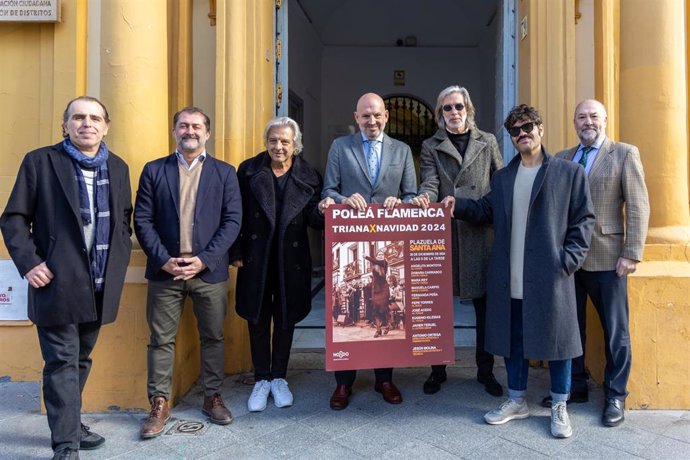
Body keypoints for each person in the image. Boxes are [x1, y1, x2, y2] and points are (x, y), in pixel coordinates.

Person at [446, 104, 595, 438]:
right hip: (510, 276)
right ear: (511, 137)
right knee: (513, 341)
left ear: (540, 128)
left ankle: (559, 405)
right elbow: (485, 210)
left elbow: (584, 220)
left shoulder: (568, 173)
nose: (522, 133)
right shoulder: (503, 178)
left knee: (558, 343)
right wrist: (457, 205)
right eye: (515, 130)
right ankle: (516, 400)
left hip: (551, 275)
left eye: (527, 126)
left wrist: (567, 260)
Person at [0, 96, 133, 460]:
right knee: (61, 361)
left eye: (94, 118)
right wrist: (30, 263)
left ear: (105, 126)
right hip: (56, 281)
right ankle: (66, 444)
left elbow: (124, 216)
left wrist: (119, 253)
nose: (86, 123)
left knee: (82, 359)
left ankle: (70, 424)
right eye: (78, 117)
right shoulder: (40, 161)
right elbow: (13, 218)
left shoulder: (118, 167)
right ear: (65, 125)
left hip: (100, 283)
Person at [540, 99, 650, 427]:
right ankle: (575, 386)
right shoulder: (561, 158)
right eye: (581, 117)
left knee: (615, 331)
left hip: (609, 258)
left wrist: (631, 252)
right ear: (574, 123)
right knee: (570, 328)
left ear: (604, 120)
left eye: (593, 116)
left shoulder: (624, 154)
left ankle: (616, 395)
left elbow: (638, 205)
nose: (587, 121)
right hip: (569, 261)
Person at [134, 107, 242, 437]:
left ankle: (212, 396)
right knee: (161, 340)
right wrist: (163, 258)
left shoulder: (225, 173)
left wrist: (204, 259)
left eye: (196, 126)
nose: (189, 131)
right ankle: (160, 402)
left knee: (213, 337)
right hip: (165, 271)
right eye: (183, 125)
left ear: (207, 133)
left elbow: (232, 221)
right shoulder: (154, 170)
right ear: (174, 131)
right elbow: (142, 220)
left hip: (208, 272)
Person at [320, 92, 417, 410]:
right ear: (356, 117)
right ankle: (343, 384)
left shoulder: (402, 150)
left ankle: (384, 379)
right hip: (350, 232)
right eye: (365, 116)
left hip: (388, 240)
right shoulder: (340, 147)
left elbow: (412, 193)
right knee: (347, 319)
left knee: (383, 309)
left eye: (376, 115)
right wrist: (344, 199)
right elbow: (328, 191)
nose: (371, 121)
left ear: (386, 116)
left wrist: (399, 201)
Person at [410, 85, 504, 396]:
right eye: (447, 108)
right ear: (440, 114)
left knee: (485, 308)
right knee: (437, 306)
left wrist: (482, 210)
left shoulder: (487, 141)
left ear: (468, 110)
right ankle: (438, 370)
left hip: (481, 232)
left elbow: (499, 180)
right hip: (445, 235)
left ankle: (485, 370)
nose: (454, 113)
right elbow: (431, 180)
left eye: (459, 107)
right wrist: (425, 196)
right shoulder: (430, 145)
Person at [230, 116, 323, 412]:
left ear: (296, 145)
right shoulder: (248, 170)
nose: (278, 146)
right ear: (266, 143)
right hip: (256, 257)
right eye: (273, 140)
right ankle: (261, 378)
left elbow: (312, 219)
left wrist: (324, 210)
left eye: (285, 141)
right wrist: (236, 251)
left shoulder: (309, 176)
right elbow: (236, 213)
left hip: (291, 260)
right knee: (257, 318)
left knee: (285, 318)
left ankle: (279, 377)